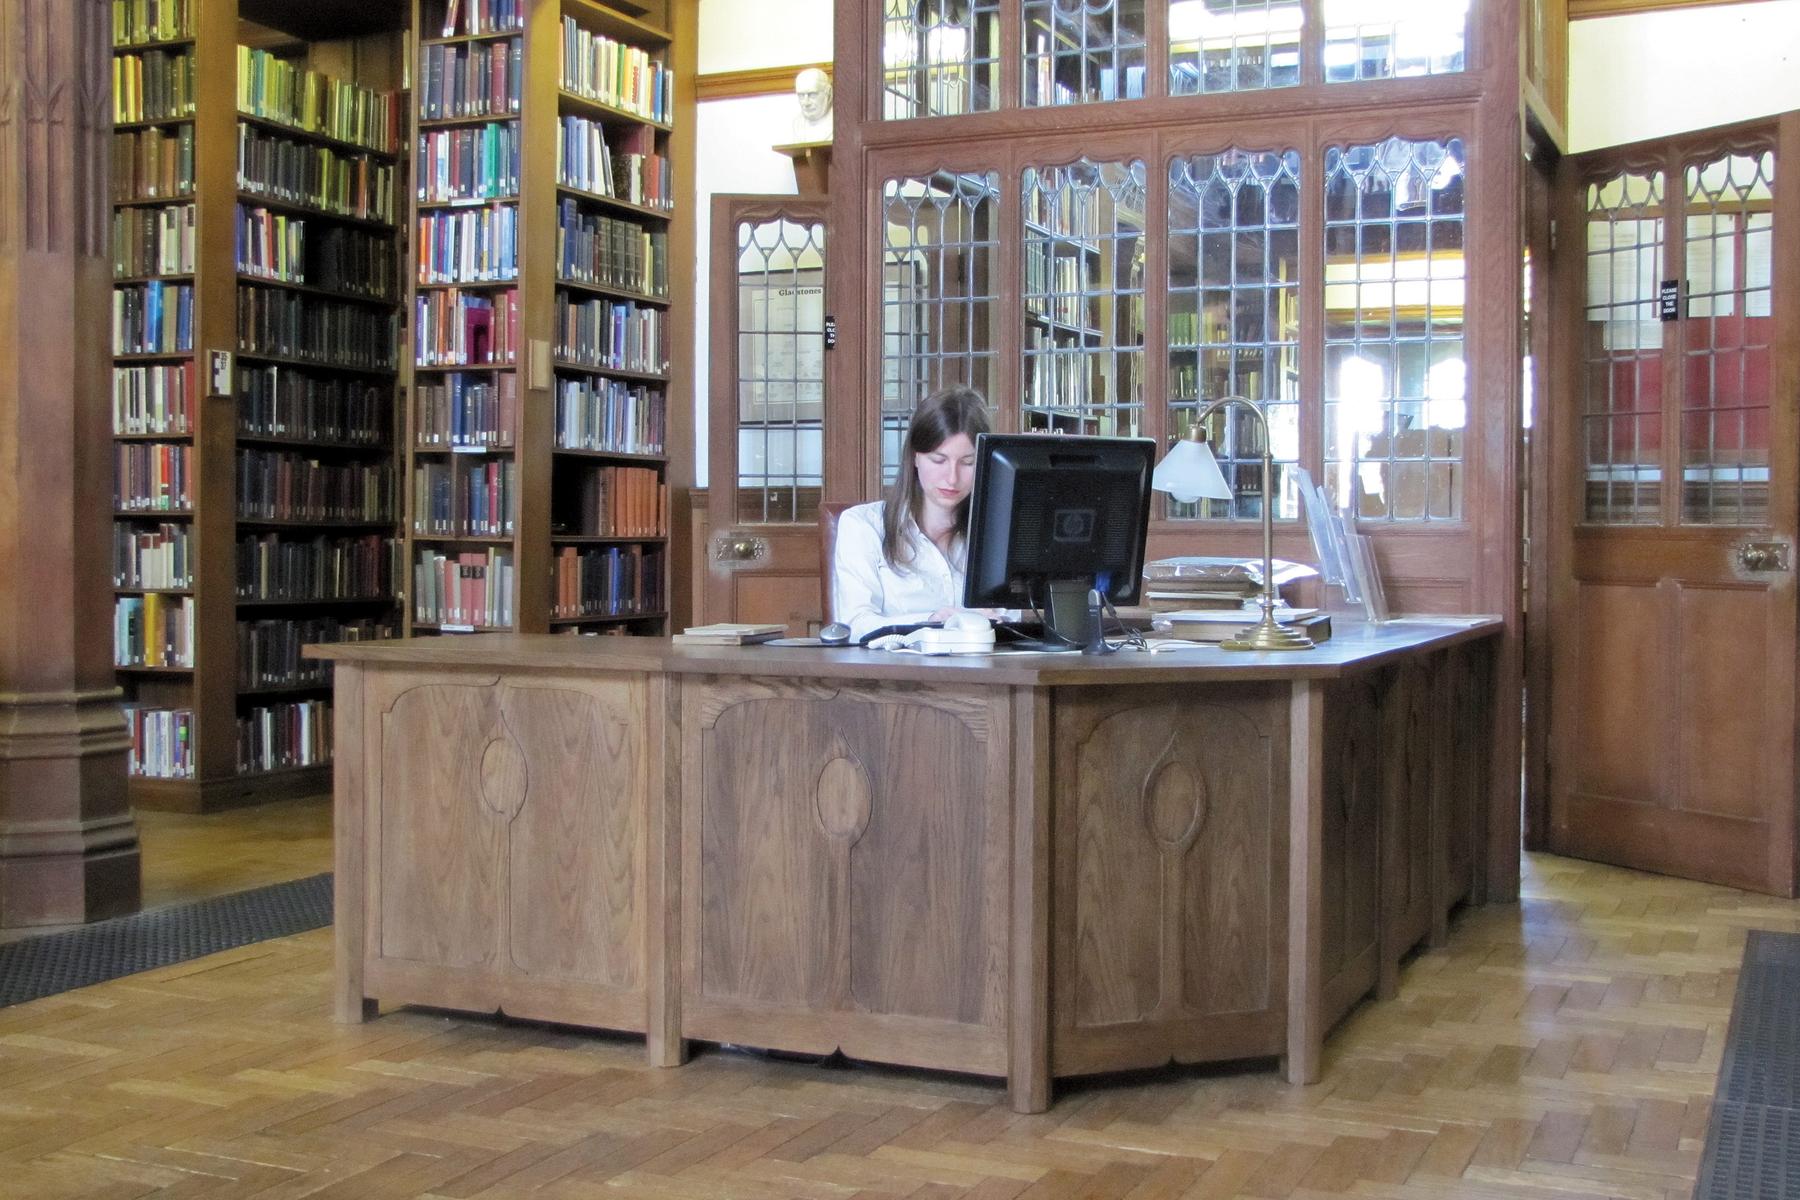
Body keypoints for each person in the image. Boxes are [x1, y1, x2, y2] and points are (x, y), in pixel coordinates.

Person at [832, 386, 1001, 641]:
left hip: (989, 673)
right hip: (895, 676)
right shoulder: (863, 526)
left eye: (968, 462)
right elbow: (855, 625)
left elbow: (1019, 616)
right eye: (938, 460)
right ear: (915, 457)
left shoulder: (997, 532)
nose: (952, 478)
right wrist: (932, 621)